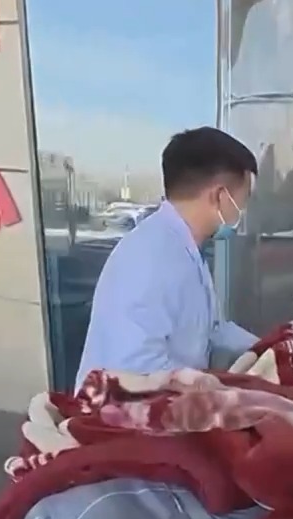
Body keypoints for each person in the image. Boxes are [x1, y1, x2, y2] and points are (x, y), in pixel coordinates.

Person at [75, 127, 260, 387]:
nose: (243, 210)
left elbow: (213, 329)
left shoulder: (186, 250)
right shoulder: (148, 258)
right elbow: (136, 371)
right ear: (219, 197)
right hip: (125, 408)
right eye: (243, 200)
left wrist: (266, 346)